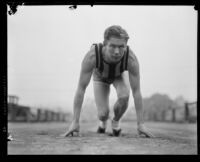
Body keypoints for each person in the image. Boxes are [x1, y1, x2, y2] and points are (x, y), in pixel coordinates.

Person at [63, 25, 154, 137]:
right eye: (112, 46)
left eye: (121, 47)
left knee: (125, 96)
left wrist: (141, 124)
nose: (117, 52)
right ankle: (103, 122)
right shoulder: (92, 56)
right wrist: (75, 122)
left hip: (119, 76)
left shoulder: (131, 59)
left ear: (126, 45)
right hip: (100, 77)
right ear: (105, 44)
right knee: (103, 113)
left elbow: (137, 92)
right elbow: (81, 89)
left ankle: (115, 122)